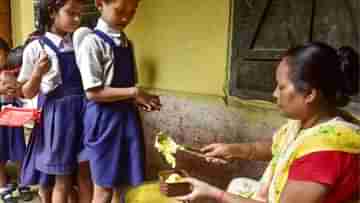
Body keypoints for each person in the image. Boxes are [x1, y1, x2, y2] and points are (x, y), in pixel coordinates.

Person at [174, 42, 360, 203]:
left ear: (309, 94)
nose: (274, 94)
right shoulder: (309, 124)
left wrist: (212, 193)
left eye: (281, 87)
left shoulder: (326, 152)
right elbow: (278, 147)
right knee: (238, 185)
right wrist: (233, 150)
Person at [75, 0, 161, 202]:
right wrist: (134, 92)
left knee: (123, 184)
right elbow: (93, 93)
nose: (126, 17)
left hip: (127, 118)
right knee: (104, 188)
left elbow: (128, 86)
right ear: (99, 4)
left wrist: (140, 100)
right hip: (104, 121)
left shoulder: (126, 43)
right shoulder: (92, 42)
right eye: (120, 10)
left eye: (132, 12)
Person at [18, 0, 92, 203]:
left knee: (86, 175)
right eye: (71, 13)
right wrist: (37, 73)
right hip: (59, 119)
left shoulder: (81, 43)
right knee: (63, 180)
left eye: (79, 14)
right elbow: (26, 92)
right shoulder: (35, 48)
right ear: (52, 12)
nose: (77, 19)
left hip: (86, 112)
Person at [0, 37, 33, 203]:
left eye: (0, 54)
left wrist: (15, 89)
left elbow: (20, 90)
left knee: (20, 152)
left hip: (13, 119)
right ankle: (3, 186)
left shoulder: (12, 72)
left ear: (6, 54)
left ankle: (23, 182)